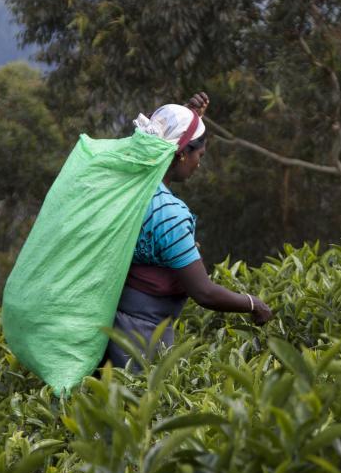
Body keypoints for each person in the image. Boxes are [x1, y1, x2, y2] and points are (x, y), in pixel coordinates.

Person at [103, 92, 273, 370]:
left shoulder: (125, 186)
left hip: (108, 325)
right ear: (181, 153)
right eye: (199, 155)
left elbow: (162, 140)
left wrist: (188, 119)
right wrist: (254, 304)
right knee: (141, 408)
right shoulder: (167, 212)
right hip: (141, 337)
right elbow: (204, 292)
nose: (199, 163)